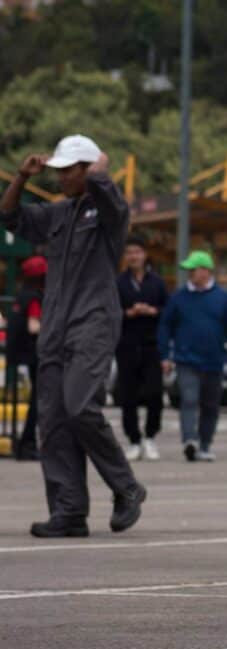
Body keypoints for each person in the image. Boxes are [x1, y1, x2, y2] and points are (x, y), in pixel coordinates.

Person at [0, 135, 146, 537]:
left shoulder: (109, 213)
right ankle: (68, 512)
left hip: (93, 322)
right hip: (54, 326)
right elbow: (10, 217)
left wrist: (100, 167)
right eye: (59, 170)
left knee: (80, 405)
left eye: (69, 169)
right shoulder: (59, 213)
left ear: (87, 169)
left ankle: (126, 486)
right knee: (54, 420)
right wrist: (21, 177)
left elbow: (109, 195)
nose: (62, 177)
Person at [158, 250, 227, 462]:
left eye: (193, 269)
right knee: (189, 399)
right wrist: (165, 356)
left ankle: (205, 445)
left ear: (206, 271)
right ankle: (190, 440)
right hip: (185, 360)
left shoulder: (223, 298)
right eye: (188, 270)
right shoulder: (178, 298)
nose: (189, 273)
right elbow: (165, 327)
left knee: (210, 405)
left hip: (215, 361)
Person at [115, 235, 168, 461]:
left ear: (145, 255)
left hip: (151, 345)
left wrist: (153, 311)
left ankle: (150, 436)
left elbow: (168, 311)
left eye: (137, 252)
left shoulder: (157, 282)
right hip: (126, 345)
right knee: (127, 395)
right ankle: (134, 440)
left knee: (155, 393)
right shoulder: (118, 283)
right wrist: (128, 313)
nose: (133, 256)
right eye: (129, 253)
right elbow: (109, 312)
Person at [6, 255, 46, 461]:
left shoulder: (22, 294)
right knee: (39, 400)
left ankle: (26, 443)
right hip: (35, 354)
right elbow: (34, 326)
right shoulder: (35, 297)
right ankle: (28, 442)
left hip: (22, 353)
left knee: (37, 398)